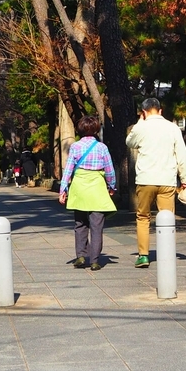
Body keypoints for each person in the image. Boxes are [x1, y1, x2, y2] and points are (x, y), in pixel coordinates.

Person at [125, 96, 186, 268]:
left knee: (143, 217)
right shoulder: (172, 128)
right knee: (167, 218)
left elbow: (129, 142)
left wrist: (139, 123)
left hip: (146, 179)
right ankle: (166, 253)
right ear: (160, 111)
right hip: (167, 179)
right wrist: (184, 179)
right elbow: (182, 154)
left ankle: (143, 255)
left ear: (143, 113)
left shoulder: (142, 127)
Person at [58, 115, 117, 271]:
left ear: (80, 129)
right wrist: (112, 186)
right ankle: (95, 260)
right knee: (97, 226)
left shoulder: (75, 147)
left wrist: (63, 189)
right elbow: (110, 170)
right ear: (96, 129)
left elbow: (68, 169)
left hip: (79, 189)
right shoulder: (102, 148)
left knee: (80, 224)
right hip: (97, 189)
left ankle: (81, 255)